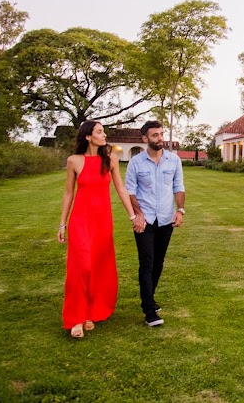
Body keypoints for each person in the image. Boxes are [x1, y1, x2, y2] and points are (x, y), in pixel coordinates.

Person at [58, 121, 137, 338]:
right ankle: (75, 318)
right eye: (100, 132)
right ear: (87, 137)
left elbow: (121, 188)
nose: (104, 135)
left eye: (103, 132)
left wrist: (132, 215)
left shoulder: (110, 158)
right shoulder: (73, 161)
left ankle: (89, 313)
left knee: (96, 267)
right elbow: (68, 194)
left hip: (103, 221)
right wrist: (62, 223)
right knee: (80, 266)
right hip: (80, 220)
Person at [125, 120, 185, 327]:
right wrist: (138, 215)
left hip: (166, 218)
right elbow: (130, 191)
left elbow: (179, 187)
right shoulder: (136, 163)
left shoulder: (174, 160)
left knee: (158, 262)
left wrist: (180, 210)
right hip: (145, 220)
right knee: (147, 262)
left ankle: (149, 297)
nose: (160, 138)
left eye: (161, 134)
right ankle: (149, 309)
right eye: (155, 135)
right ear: (145, 139)